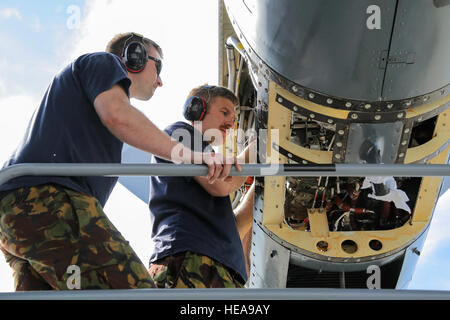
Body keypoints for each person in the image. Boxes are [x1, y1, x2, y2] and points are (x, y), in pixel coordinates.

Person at [0, 33, 238, 291]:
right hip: (49, 200)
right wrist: (195, 155)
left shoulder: (91, 109)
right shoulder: (103, 62)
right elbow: (118, 116)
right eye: (157, 66)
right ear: (133, 56)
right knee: (139, 296)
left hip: (20, 216)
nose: (160, 81)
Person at [148, 85, 255, 288]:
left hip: (218, 268)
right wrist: (257, 149)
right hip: (190, 258)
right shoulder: (182, 134)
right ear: (196, 109)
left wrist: (262, 185)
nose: (230, 123)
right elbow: (221, 185)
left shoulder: (206, 157)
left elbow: (236, 227)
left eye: (233, 118)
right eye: (224, 112)